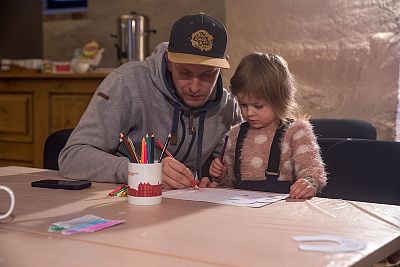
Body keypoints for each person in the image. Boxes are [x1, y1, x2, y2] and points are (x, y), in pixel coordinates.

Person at [58, 13, 242, 187]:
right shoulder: (127, 83)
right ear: (169, 60)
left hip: (184, 208)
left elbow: (232, 170)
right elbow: (72, 157)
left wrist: (214, 179)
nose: (194, 87)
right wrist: (142, 171)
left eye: (207, 75)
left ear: (223, 66)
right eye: (185, 73)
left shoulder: (228, 108)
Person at [207, 52, 327, 199]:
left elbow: (313, 170)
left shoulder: (296, 131)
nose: (249, 112)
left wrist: (309, 184)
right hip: (240, 211)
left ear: (281, 100)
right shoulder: (235, 134)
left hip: (281, 211)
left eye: (258, 106)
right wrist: (222, 173)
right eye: (243, 104)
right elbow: (229, 184)